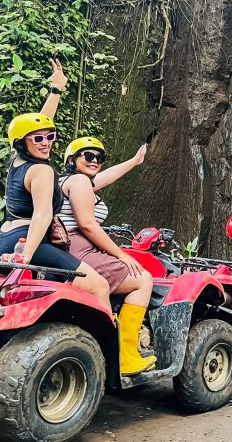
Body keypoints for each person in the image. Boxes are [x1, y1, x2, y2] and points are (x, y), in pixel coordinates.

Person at [0, 60, 110, 307]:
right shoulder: (42, 170)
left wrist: (56, 90)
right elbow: (42, 213)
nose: (46, 142)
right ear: (23, 142)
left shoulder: (17, 162)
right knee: (99, 286)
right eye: (39, 139)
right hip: (26, 241)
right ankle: (105, 345)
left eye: (50, 137)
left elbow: (37, 124)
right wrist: (26, 256)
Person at [58, 136, 157, 376]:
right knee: (143, 279)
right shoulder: (80, 181)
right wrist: (120, 254)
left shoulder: (68, 181)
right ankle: (126, 356)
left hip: (68, 246)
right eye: (88, 156)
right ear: (72, 159)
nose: (95, 161)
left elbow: (105, 177)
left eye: (99, 157)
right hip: (79, 245)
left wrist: (134, 161)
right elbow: (88, 225)